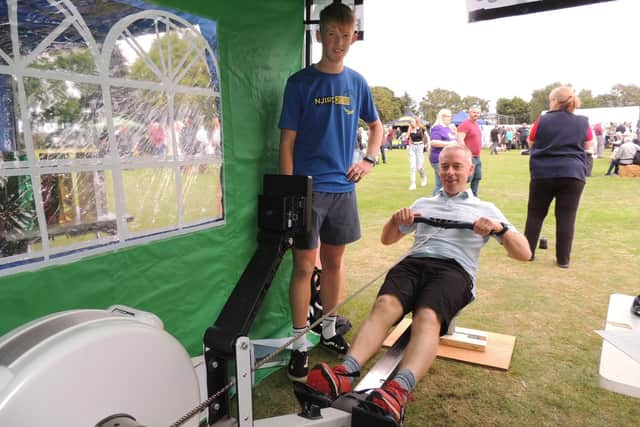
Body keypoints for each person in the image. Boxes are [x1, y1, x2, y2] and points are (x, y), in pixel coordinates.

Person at [304, 145, 531, 424]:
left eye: (457, 167)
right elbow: (388, 239)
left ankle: (399, 390)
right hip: (414, 264)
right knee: (385, 304)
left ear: (470, 170)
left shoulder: (485, 209)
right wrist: (394, 221)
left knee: (427, 316)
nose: (449, 172)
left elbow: (524, 253)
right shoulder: (423, 204)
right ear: (438, 169)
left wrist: (501, 229)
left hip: (454, 271)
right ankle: (346, 373)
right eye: (444, 166)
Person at [278, 2, 383, 382]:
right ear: (319, 35)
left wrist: (369, 160)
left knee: (335, 264)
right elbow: (287, 142)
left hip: (343, 190)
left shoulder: (356, 82)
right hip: (307, 189)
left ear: (354, 37)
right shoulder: (300, 83)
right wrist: (290, 192)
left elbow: (377, 126)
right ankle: (299, 344)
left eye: (346, 36)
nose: (339, 43)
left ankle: (327, 327)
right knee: (305, 266)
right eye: (332, 35)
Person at [524, 86, 594, 269]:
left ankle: (527, 253)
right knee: (566, 217)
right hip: (573, 174)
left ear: (555, 101)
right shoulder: (583, 122)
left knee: (535, 214)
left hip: (543, 172)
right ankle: (563, 260)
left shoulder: (543, 120)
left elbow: (531, 141)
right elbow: (589, 145)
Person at [428, 108, 457, 195]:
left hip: (447, 159)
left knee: (440, 183)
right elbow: (433, 142)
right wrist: (449, 143)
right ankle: (436, 203)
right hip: (439, 159)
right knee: (443, 184)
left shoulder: (447, 128)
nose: (450, 118)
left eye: (451, 116)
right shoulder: (437, 128)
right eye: (449, 116)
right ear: (442, 117)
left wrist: (455, 133)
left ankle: (436, 203)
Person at [457, 105, 483, 196]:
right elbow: (460, 140)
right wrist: (466, 155)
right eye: (474, 112)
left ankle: (474, 199)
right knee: (466, 179)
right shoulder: (464, 125)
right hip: (469, 157)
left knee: (477, 178)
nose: (476, 114)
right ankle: (458, 197)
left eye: (478, 112)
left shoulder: (476, 125)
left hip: (477, 157)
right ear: (469, 113)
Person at [406, 118, 427, 190]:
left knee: (419, 167)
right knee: (412, 166)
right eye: (410, 122)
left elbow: (426, 137)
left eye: (412, 121)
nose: (411, 123)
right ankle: (413, 183)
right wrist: (409, 130)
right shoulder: (410, 129)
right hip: (412, 147)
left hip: (420, 147)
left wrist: (427, 146)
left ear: (416, 122)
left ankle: (423, 177)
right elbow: (407, 138)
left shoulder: (421, 129)